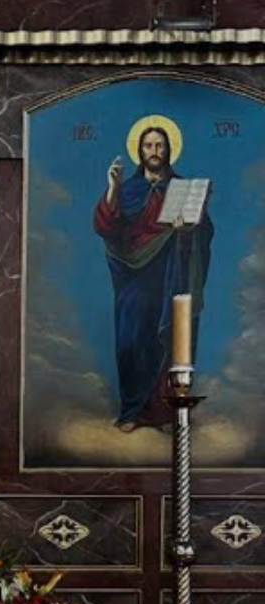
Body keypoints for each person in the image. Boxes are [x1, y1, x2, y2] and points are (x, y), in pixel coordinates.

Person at [93, 126, 213, 432]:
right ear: (140, 150)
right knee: (132, 340)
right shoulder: (127, 191)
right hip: (134, 278)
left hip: (172, 275)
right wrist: (113, 188)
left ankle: (166, 413)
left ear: (169, 149)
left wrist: (188, 229)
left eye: (160, 145)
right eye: (148, 145)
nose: (155, 151)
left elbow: (203, 231)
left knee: (171, 339)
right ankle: (132, 411)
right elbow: (105, 227)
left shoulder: (182, 189)